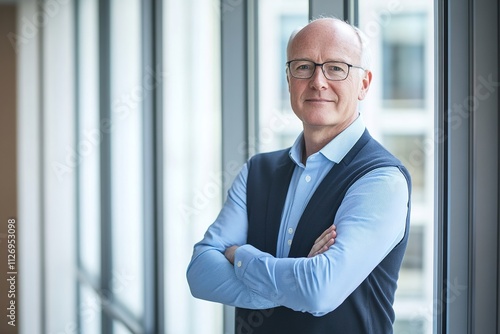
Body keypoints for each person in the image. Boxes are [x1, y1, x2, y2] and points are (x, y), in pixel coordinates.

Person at [187, 17, 411, 334]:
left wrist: (241, 256)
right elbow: (199, 274)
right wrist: (296, 282)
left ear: (364, 84)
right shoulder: (257, 171)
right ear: (289, 79)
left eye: (336, 68)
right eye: (304, 67)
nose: (318, 81)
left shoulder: (381, 179)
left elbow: (319, 291)